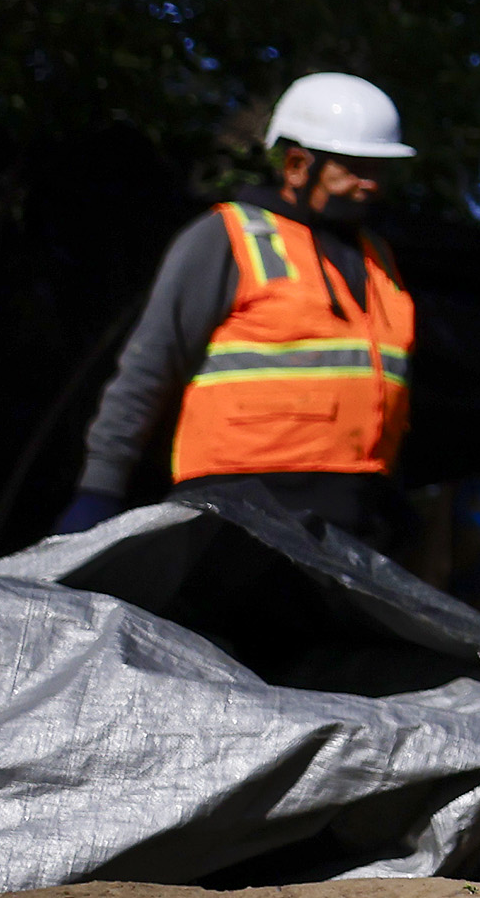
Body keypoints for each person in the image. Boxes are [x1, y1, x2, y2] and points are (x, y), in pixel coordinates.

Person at [66, 72, 426, 546]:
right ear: (297, 165)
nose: (371, 183)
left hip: (354, 517)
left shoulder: (379, 258)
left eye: (379, 169)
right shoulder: (228, 239)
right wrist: (101, 486)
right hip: (234, 517)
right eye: (355, 167)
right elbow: (148, 366)